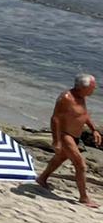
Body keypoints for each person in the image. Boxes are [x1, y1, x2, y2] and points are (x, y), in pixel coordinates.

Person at [36, 75, 101, 208]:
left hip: (76, 135)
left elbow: (83, 114)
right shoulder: (66, 98)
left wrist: (94, 129)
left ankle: (42, 178)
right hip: (65, 135)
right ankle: (84, 198)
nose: (94, 90)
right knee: (80, 165)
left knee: (60, 158)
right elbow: (55, 119)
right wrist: (56, 141)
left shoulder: (82, 97)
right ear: (83, 87)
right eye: (92, 87)